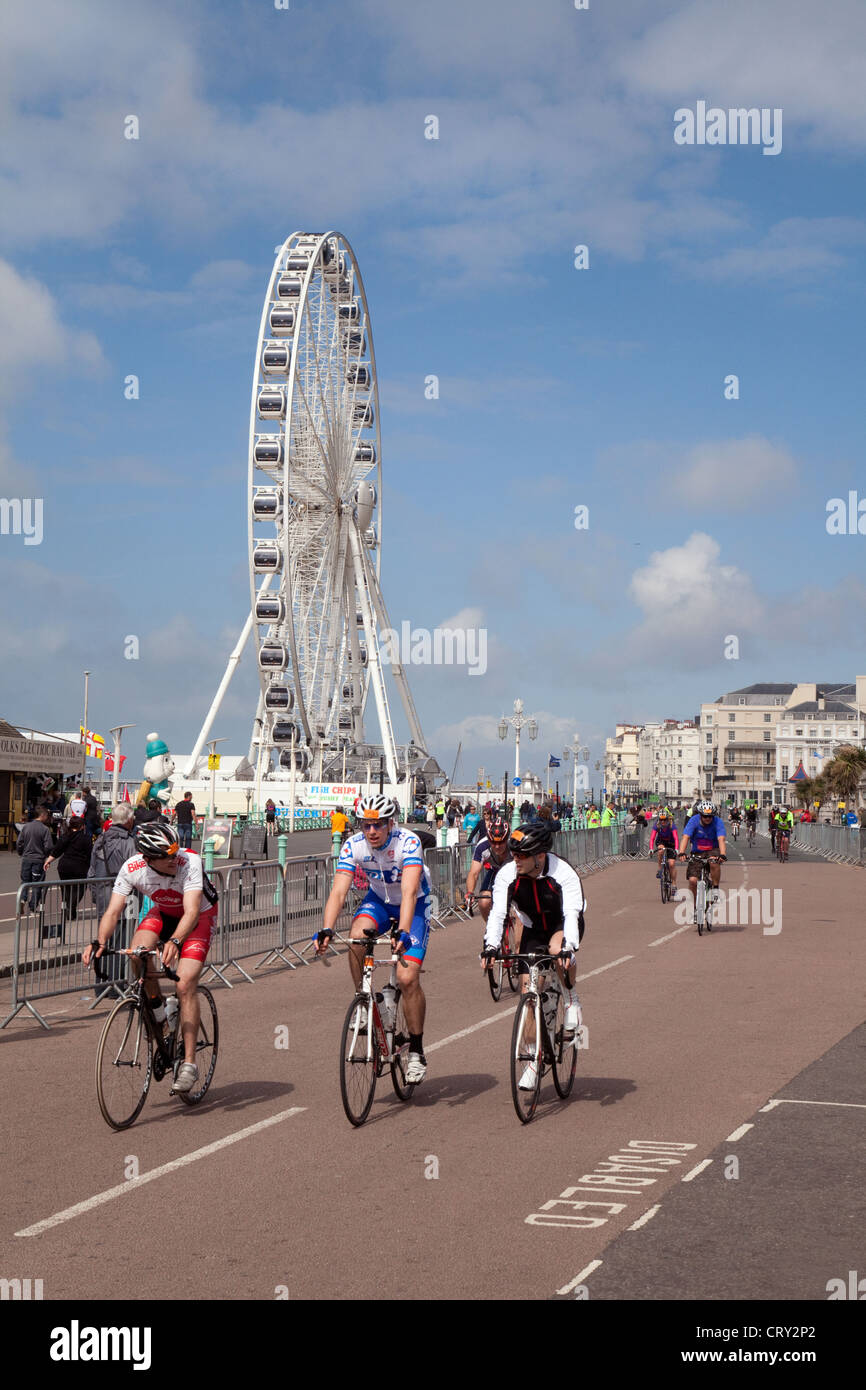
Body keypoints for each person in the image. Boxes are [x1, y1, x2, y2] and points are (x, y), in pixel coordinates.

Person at [84, 820, 219, 1094]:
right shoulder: (132, 869)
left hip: (198, 917)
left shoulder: (189, 861)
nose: (174, 859)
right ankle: (159, 1013)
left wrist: (175, 941)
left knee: (184, 984)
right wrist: (99, 941)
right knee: (137, 955)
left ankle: (190, 1064)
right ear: (148, 859)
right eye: (166, 857)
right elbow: (112, 912)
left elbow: (192, 912)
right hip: (163, 913)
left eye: (175, 852)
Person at [318, 794, 431, 1084]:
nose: (371, 831)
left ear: (390, 823)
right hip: (379, 901)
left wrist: (403, 932)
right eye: (366, 825)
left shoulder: (407, 842)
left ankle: (417, 1051)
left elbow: (408, 893)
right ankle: (365, 999)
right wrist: (327, 928)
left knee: (407, 979)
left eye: (378, 825)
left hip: (414, 904)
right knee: (356, 937)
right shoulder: (353, 845)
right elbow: (339, 892)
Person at [482, 822, 585, 1090]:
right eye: (513, 854)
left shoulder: (563, 873)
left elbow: (572, 914)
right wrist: (491, 946)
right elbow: (497, 914)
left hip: (562, 923)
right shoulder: (508, 874)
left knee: (556, 951)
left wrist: (568, 948)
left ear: (540, 855)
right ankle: (531, 1060)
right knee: (529, 994)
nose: (515, 859)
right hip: (532, 927)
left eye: (521, 855)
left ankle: (571, 998)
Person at [678, 801, 727, 922]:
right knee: (693, 881)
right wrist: (682, 852)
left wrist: (722, 854)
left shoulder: (717, 822)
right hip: (697, 852)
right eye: (705, 816)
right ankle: (695, 908)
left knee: (714, 863)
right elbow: (686, 837)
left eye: (710, 816)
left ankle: (715, 888)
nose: (708, 819)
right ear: (700, 815)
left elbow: (721, 839)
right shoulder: (694, 820)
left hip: (713, 850)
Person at [464, 817, 513, 931]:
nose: (497, 846)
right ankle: (492, 929)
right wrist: (470, 892)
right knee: (484, 902)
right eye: (493, 842)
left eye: (501, 842)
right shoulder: (482, 846)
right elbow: (474, 873)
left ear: (506, 839)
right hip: (495, 871)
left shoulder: (514, 845)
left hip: (513, 872)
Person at [45, 813, 92, 919]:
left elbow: (57, 851)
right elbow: (90, 854)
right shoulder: (86, 838)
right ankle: (71, 906)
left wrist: (48, 861)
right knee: (80, 889)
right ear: (82, 826)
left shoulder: (65, 836)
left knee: (65, 889)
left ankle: (68, 908)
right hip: (80, 866)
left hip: (64, 866)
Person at [16, 803, 54, 911]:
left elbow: (19, 842)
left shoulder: (26, 827)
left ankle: (23, 899)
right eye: (46, 815)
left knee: (25, 881)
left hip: (26, 858)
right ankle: (32, 906)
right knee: (37, 883)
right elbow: (48, 846)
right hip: (38, 859)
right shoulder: (45, 829)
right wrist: (46, 855)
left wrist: (21, 853)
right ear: (42, 815)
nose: (47, 817)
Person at [649, 807, 680, 897]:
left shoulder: (671, 825)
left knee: (671, 864)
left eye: (664, 820)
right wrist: (651, 848)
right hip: (661, 841)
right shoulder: (657, 825)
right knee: (660, 850)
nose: (662, 822)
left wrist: (677, 849)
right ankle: (659, 869)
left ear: (667, 819)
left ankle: (674, 884)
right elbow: (652, 838)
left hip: (671, 843)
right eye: (661, 820)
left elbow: (676, 838)